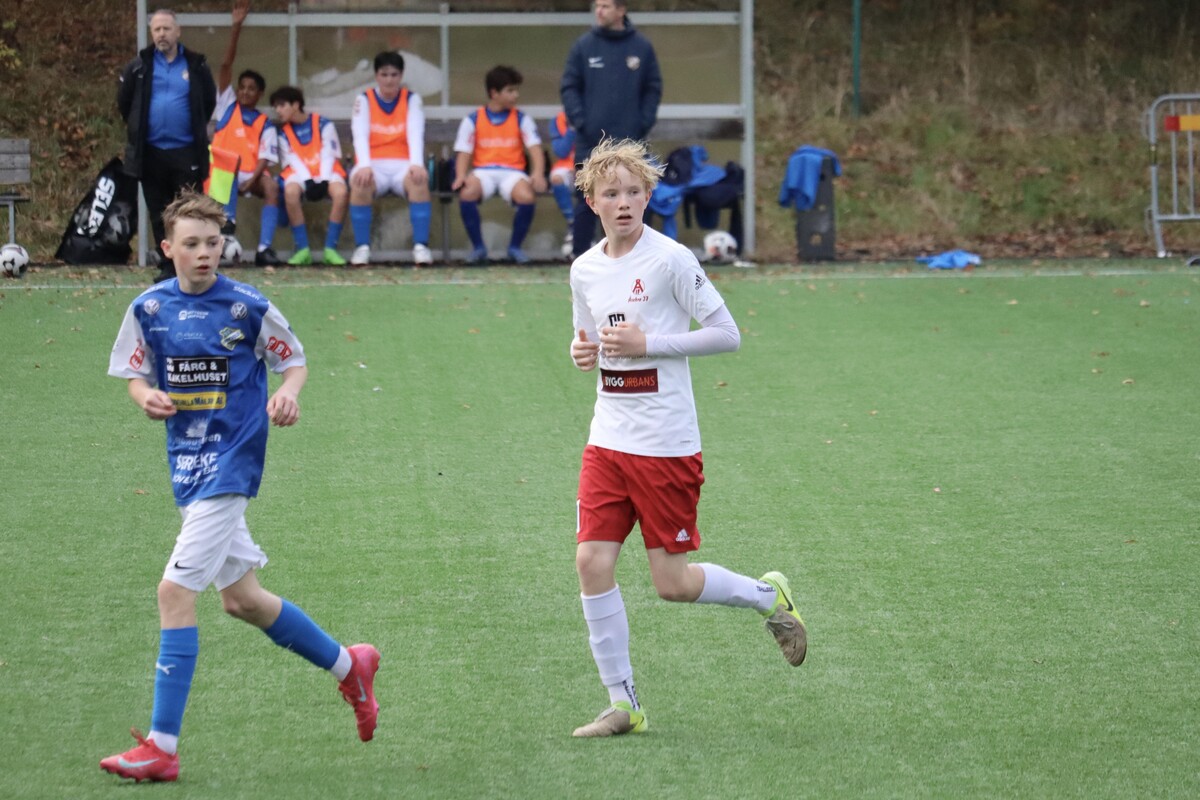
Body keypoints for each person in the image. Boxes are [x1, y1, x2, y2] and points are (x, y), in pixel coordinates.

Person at [101, 192, 380, 783]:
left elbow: (293, 361)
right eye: (192, 244)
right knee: (243, 600)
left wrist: (288, 394)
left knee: (174, 592)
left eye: (213, 242)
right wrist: (144, 396)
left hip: (231, 466)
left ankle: (162, 747)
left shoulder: (247, 307)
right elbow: (134, 371)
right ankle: (349, 666)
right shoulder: (149, 308)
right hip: (186, 465)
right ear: (168, 247)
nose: (205, 253)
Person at [567, 138, 806, 738]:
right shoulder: (584, 268)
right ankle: (623, 704)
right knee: (591, 562)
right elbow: (587, 337)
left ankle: (768, 597)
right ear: (592, 201)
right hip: (607, 439)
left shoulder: (671, 259)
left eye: (634, 191)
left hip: (665, 443)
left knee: (671, 584)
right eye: (611, 193)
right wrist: (581, 352)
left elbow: (727, 333)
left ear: (649, 196)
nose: (624, 202)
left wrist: (650, 344)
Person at [118, 8, 218, 281]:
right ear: (151, 33)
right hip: (151, 153)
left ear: (177, 31)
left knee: (190, 211)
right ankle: (167, 265)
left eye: (166, 29)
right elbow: (125, 103)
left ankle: (193, 263)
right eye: (157, 30)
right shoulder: (139, 66)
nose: (162, 34)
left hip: (186, 153)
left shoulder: (196, 65)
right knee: (159, 212)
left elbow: (208, 101)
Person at [560, 0, 661, 259]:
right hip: (590, 141)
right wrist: (582, 121)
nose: (599, 11)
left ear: (621, 10)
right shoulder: (584, 46)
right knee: (586, 201)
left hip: (631, 142)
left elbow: (653, 87)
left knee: (636, 198)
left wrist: (642, 122)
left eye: (606, 6)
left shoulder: (641, 47)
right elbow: (569, 87)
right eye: (597, 6)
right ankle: (581, 261)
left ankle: (639, 259)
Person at [209, 0, 284, 266]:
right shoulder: (227, 105)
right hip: (222, 171)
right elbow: (225, 66)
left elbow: (265, 158)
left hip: (250, 174)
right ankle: (227, 226)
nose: (244, 92)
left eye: (251, 88)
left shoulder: (264, 122)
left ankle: (264, 249)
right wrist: (236, 28)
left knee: (272, 186)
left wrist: (252, 182)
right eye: (242, 87)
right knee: (228, 164)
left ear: (259, 93)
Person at [451, 65, 547, 264]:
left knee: (526, 197)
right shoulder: (473, 119)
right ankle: (478, 248)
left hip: (513, 172)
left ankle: (514, 248)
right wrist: (460, 175)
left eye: (516, 90)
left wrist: (537, 173)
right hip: (483, 172)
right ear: (494, 93)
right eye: (510, 91)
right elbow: (464, 151)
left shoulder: (521, 119)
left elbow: (535, 149)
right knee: (467, 193)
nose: (515, 95)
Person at [348, 51, 434, 266]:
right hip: (373, 164)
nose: (389, 80)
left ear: (401, 75)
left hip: (402, 164)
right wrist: (364, 165)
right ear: (376, 75)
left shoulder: (412, 99)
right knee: (360, 183)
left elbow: (415, 132)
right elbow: (360, 134)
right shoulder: (364, 99)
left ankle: (421, 247)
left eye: (394, 75)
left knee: (419, 181)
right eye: (384, 74)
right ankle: (362, 248)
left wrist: (416, 164)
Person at [270, 85, 349, 265]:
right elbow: (292, 160)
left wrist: (323, 180)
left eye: (282, 105)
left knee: (341, 193)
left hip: (327, 171)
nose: (278, 111)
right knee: (290, 192)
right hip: (300, 174)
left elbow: (329, 154)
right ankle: (303, 250)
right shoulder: (283, 133)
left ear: (296, 105)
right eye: (275, 107)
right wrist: (308, 181)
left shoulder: (323, 124)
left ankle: (330, 249)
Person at [549, 109, 576, 259]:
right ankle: (573, 223)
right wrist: (572, 128)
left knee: (592, 180)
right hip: (566, 166)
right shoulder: (558, 120)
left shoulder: (595, 112)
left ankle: (587, 230)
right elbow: (561, 151)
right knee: (557, 179)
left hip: (591, 164)